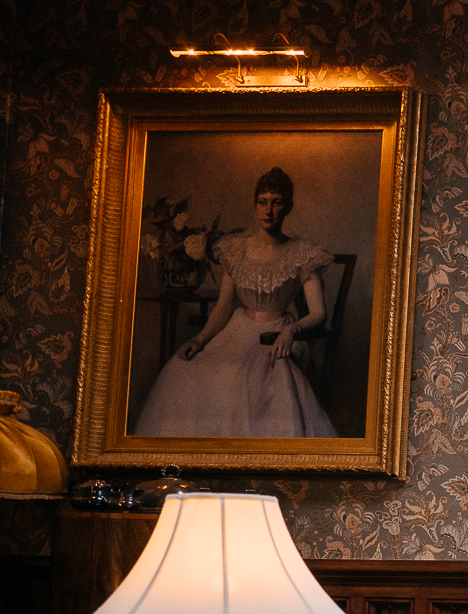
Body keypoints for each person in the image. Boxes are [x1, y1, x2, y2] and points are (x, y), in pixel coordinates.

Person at [133, 167, 337, 439]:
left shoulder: (302, 253)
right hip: (238, 331)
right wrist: (201, 338)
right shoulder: (236, 249)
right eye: (262, 202)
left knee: (239, 375)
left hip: (277, 334)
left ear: (287, 207)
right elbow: (223, 307)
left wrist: (291, 331)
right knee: (184, 368)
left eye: (276, 203)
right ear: (255, 205)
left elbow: (319, 314)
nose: (268, 211)